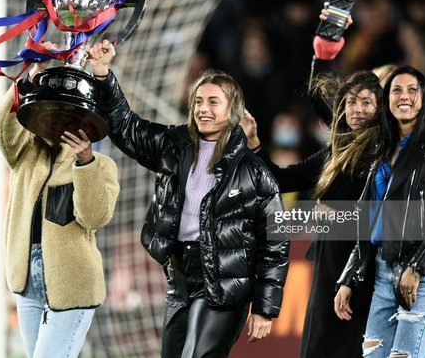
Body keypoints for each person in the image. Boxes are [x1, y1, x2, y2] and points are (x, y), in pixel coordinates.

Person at [89, 39, 290, 358]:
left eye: (213, 102)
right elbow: (127, 128)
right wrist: (102, 75)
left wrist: (265, 307)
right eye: (198, 101)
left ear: (233, 110)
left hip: (224, 287)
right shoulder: (173, 145)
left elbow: (275, 242)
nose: (203, 109)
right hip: (178, 279)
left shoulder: (254, 172)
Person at [242, 70, 382, 358]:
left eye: (367, 102)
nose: (358, 109)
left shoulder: (386, 153)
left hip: (365, 268)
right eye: (351, 101)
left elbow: (386, 215)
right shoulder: (335, 152)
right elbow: (280, 181)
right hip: (328, 262)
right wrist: (255, 142)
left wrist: (338, 217)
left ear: (381, 108)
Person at [0, 47, 120, 358]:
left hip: (73, 287)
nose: (56, 118)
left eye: (65, 112)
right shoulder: (24, 155)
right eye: (50, 110)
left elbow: (94, 218)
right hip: (27, 286)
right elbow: (2, 131)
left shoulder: (101, 165)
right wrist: (29, 79)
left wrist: (85, 162)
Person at [335, 65, 425, 358]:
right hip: (383, 274)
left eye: (412, 90)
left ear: (424, 97)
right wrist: (349, 277)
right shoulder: (381, 148)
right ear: (387, 99)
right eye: (396, 90)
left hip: (424, 276)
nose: (404, 97)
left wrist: (417, 266)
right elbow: (369, 221)